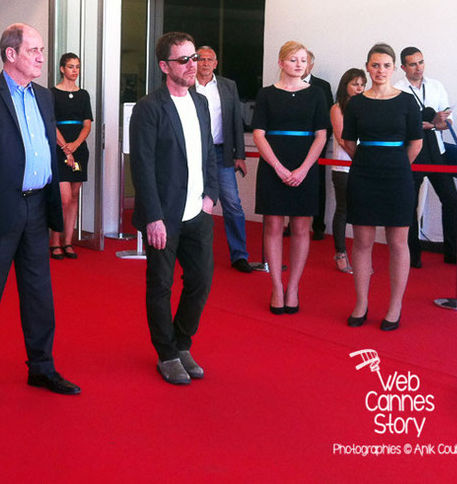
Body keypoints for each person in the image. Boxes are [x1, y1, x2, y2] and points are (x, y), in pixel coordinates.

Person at [0, 23, 81, 412]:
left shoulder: (43, 96)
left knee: (39, 295)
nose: (42, 56)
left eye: (42, 50)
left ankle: (41, 366)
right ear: (11, 55)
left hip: (36, 208)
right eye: (34, 50)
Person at [130, 32, 219, 385]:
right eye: (184, 60)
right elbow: (143, 165)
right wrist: (153, 216)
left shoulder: (199, 103)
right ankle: (166, 353)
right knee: (161, 285)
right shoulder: (149, 108)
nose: (192, 65)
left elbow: (209, 154)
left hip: (198, 211)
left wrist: (210, 196)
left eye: (194, 57)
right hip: (163, 216)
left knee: (201, 281)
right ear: (165, 66)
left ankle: (182, 343)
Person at [342, 43, 422, 331]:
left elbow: (416, 142)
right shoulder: (357, 103)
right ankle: (361, 303)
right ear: (367, 66)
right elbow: (349, 142)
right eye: (375, 65)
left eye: (386, 65)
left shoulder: (407, 102)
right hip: (364, 175)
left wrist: (397, 164)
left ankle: (394, 306)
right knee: (362, 242)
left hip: (398, 177)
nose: (380, 70)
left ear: (394, 68)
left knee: (398, 243)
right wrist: (369, 161)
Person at [252, 41, 327, 316]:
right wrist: (279, 168)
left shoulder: (317, 94)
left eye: (303, 60)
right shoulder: (266, 94)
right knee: (272, 225)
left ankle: (293, 286)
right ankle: (276, 285)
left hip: (305, 164)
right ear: (281, 62)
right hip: (274, 163)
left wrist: (305, 169)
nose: (299, 64)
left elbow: (321, 134)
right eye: (293, 59)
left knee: (301, 227)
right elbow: (258, 134)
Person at [393, 47, 457, 268]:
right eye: (412, 64)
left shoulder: (436, 86)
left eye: (421, 62)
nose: (418, 68)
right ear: (403, 67)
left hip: (436, 149)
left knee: (452, 199)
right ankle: (412, 254)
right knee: (409, 203)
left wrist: (440, 122)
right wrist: (426, 125)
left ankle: (454, 253)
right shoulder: (397, 90)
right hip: (411, 149)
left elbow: (448, 119)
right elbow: (397, 123)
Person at [194, 45, 252, 273]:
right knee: (192, 203)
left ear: (216, 63)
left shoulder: (228, 86)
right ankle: (192, 253)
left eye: (210, 59)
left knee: (233, 204)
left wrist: (240, 155)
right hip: (194, 153)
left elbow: (236, 121)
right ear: (194, 62)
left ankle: (239, 255)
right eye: (201, 59)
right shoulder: (187, 85)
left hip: (221, 154)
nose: (205, 63)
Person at [49, 53, 92, 260]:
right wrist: (66, 148)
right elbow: (50, 123)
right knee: (63, 198)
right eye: (71, 67)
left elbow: (87, 124)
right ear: (62, 69)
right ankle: (54, 241)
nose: (74, 70)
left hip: (79, 149)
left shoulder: (83, 95)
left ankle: (68, 241)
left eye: (77, 67)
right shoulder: (52, 94)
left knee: (74, 196)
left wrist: (75, 146)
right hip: (59, 148)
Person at [329, 68, 366, 274]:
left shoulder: (367, 106)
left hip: (363, 167)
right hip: (344, 166)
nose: (359, 88)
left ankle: (361, 258)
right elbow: (343, 139)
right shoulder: (337, 108)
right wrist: (361, 158)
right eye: (355, 84)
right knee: (343, 210)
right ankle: (341, 253)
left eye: (362, 84)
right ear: (346, 86)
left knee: (362, 213)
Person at [302, 50, 334, 241]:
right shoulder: (284, 86)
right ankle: (291, 222)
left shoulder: (322, 86)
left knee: (318, 184)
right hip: (294, 145)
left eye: (304, 61)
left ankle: (318, 225)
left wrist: (320, 142)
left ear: (311, 65)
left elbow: (328, 118)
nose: (299, 64)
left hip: (317, 143)